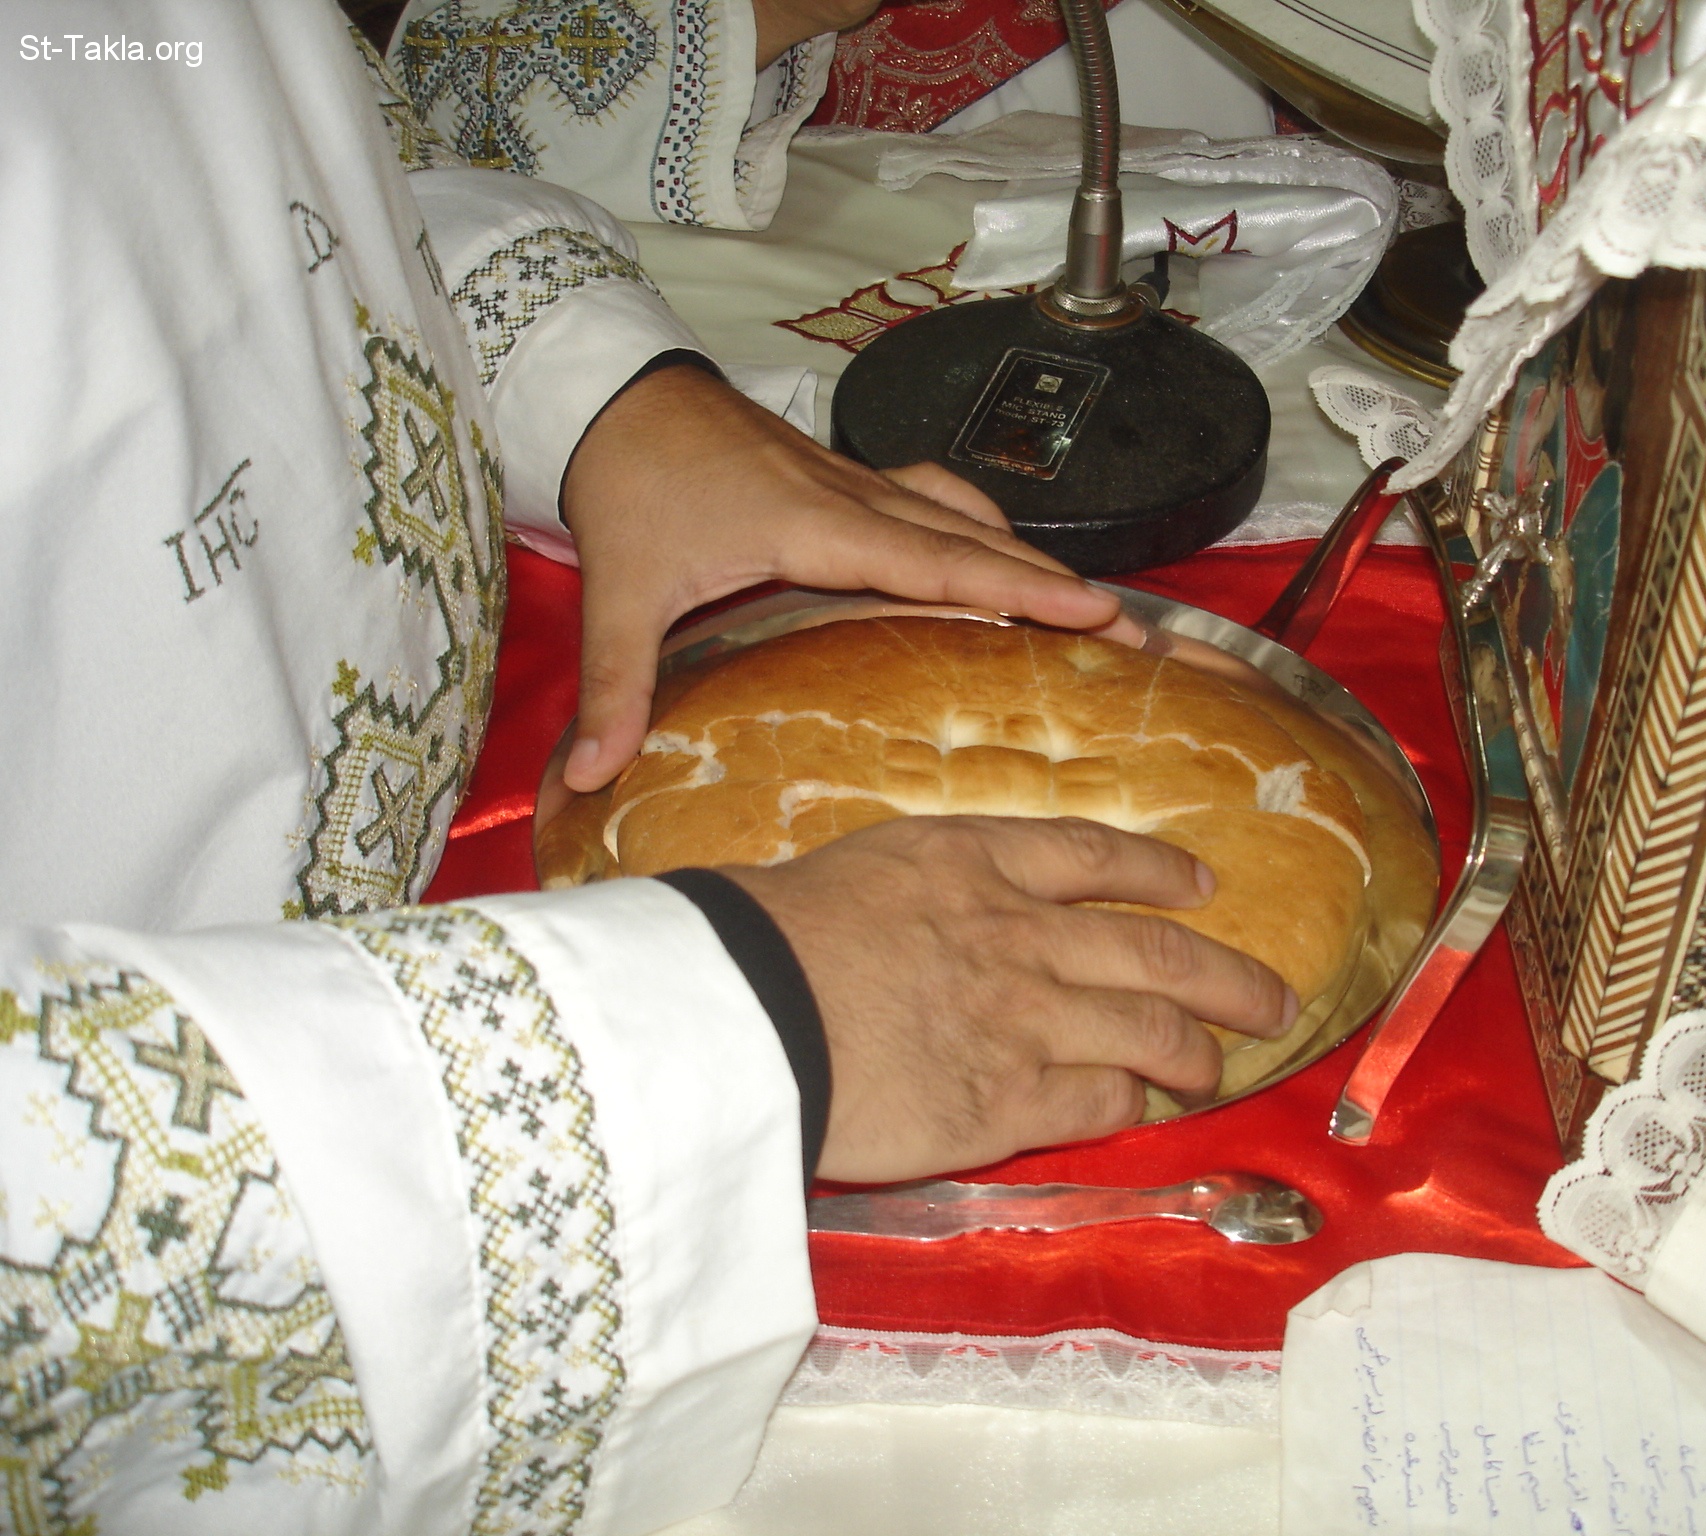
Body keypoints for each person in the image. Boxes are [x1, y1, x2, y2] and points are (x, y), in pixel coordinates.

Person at [0, 3, 1293, 1531]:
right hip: (373, 1193)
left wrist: (609, 397)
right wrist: (729, 1028)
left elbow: (262, 164)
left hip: (507, 801)